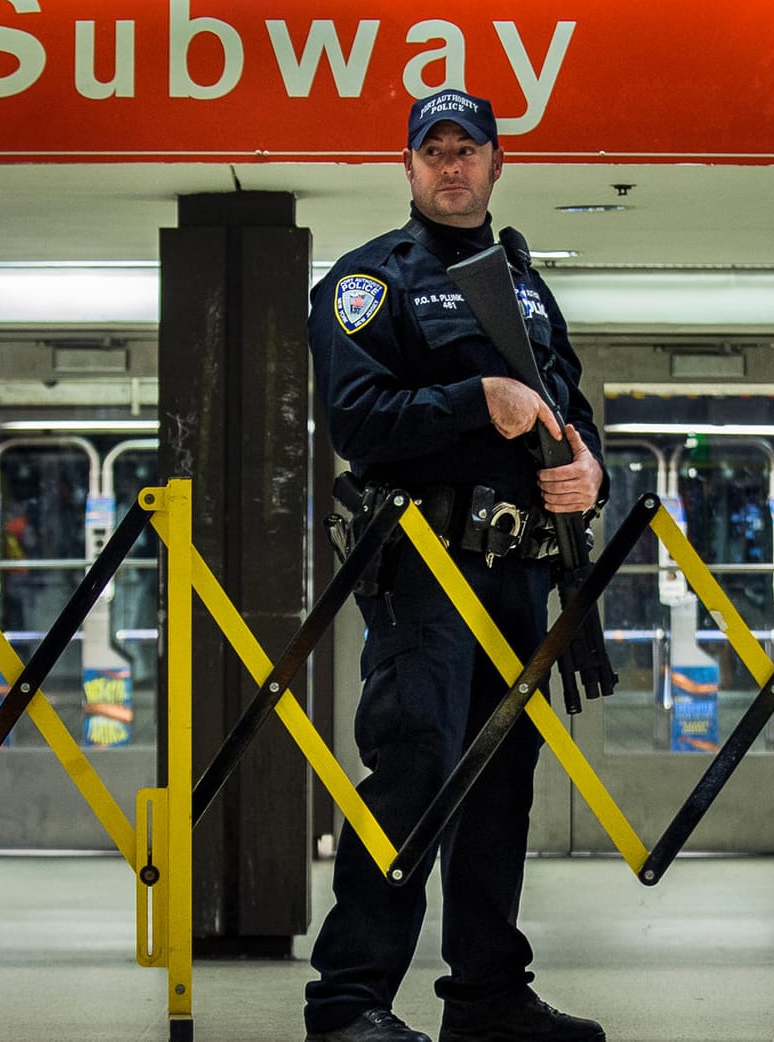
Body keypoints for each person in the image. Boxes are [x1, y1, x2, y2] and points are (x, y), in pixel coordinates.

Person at [303, 89, 608, 1042]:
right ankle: (350, 998)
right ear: (406, 167)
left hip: (522, 568)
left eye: (466, 149)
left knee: (500, 775)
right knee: (415, 766)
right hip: (424, 566)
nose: (450, 165)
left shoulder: (525, 283)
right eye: (431, 150)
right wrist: (476, 399)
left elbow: (569, 405)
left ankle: (486, 997)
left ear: (495, 163)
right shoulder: (367, 283)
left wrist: (588, 467)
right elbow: (356, 421)